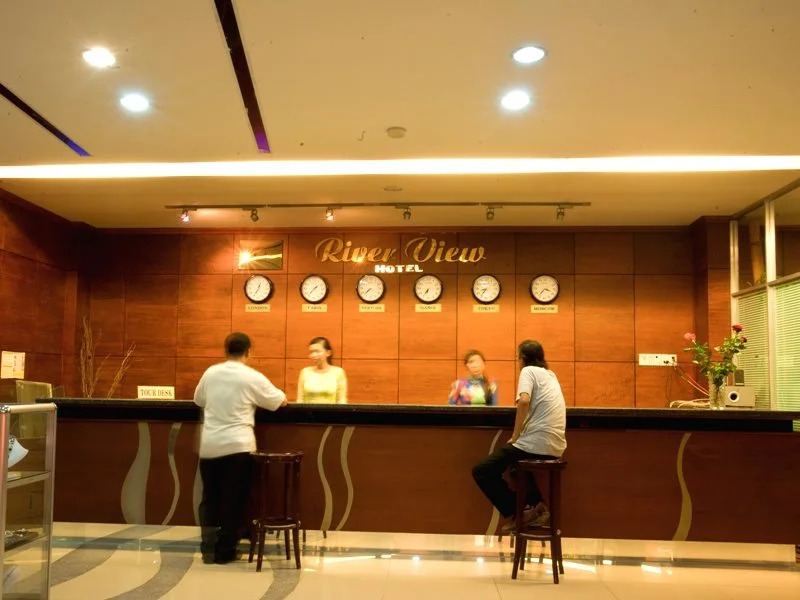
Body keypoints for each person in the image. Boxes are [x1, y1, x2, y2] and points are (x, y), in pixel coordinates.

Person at [194, 332, 287, 564]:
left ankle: (208, 549)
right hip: (238, 446)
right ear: (248, 352)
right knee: (233, 499)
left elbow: (198, 400)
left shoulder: (210, 373)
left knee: (210, 499)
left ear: (226, 351)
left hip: (210, 445)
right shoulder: (251, 377)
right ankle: (226, 551)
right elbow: (278, 401)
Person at [472, 340, 566, 532]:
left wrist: (515, 435)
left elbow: (523, 401)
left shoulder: (528, 371)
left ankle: (521, 510)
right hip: (556, 446)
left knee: (482, 471)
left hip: (536, 442)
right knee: (516, 466)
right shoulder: (550, 375)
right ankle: (535, 505)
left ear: (522, 358)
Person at [296, 336, 348, 404]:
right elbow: (300, 400)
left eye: (317, 351)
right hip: (308, 411)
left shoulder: (338, 372)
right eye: (311, 352)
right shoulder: (305, 372)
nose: (313, 355)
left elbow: (341, 401)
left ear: (328, 353)